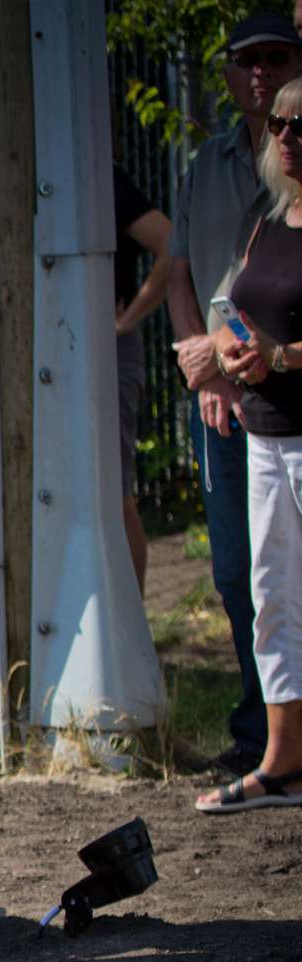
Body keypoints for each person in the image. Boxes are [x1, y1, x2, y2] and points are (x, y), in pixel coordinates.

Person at [166, 13, 298, 778]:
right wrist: (201, 367)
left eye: (275, 58)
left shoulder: (295, 165)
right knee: (238, 572)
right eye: (244, 61)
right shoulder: (203, 163)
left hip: (280, 391)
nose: (258, 73)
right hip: (216, 395)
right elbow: (181, 268)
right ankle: (260, 731)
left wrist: (223, 359)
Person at [199, 74, 302, 814]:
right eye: (280, 125)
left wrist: (284, 355)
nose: (289, 139)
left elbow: (279, 340)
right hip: (264, 436)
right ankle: (283, 762)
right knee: (273, 602)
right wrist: (229, 351)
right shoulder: (269, 219)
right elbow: (232, 309)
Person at [113, 165, 174, 593]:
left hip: (109, 351)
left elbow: (171, 243)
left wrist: (126, 321)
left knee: (114, 495)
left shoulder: (104, 181)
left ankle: (130, 629)